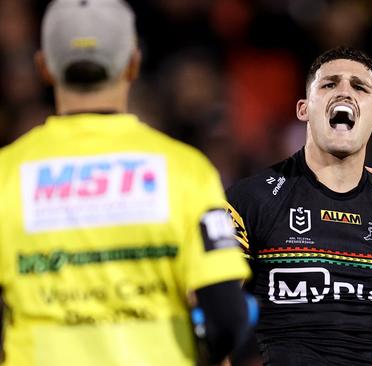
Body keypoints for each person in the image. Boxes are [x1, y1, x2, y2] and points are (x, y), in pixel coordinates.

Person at [0, 1, 253, 365]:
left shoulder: (8, 174)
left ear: (44, 67)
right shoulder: (185, 170)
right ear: (133, 63)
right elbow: (228, 316)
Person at [226, 47, 372, 365]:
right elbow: (212, 314)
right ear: (303, 109)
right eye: (329, 84)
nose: (344, 92)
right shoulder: (251, 200)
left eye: (359, 87)